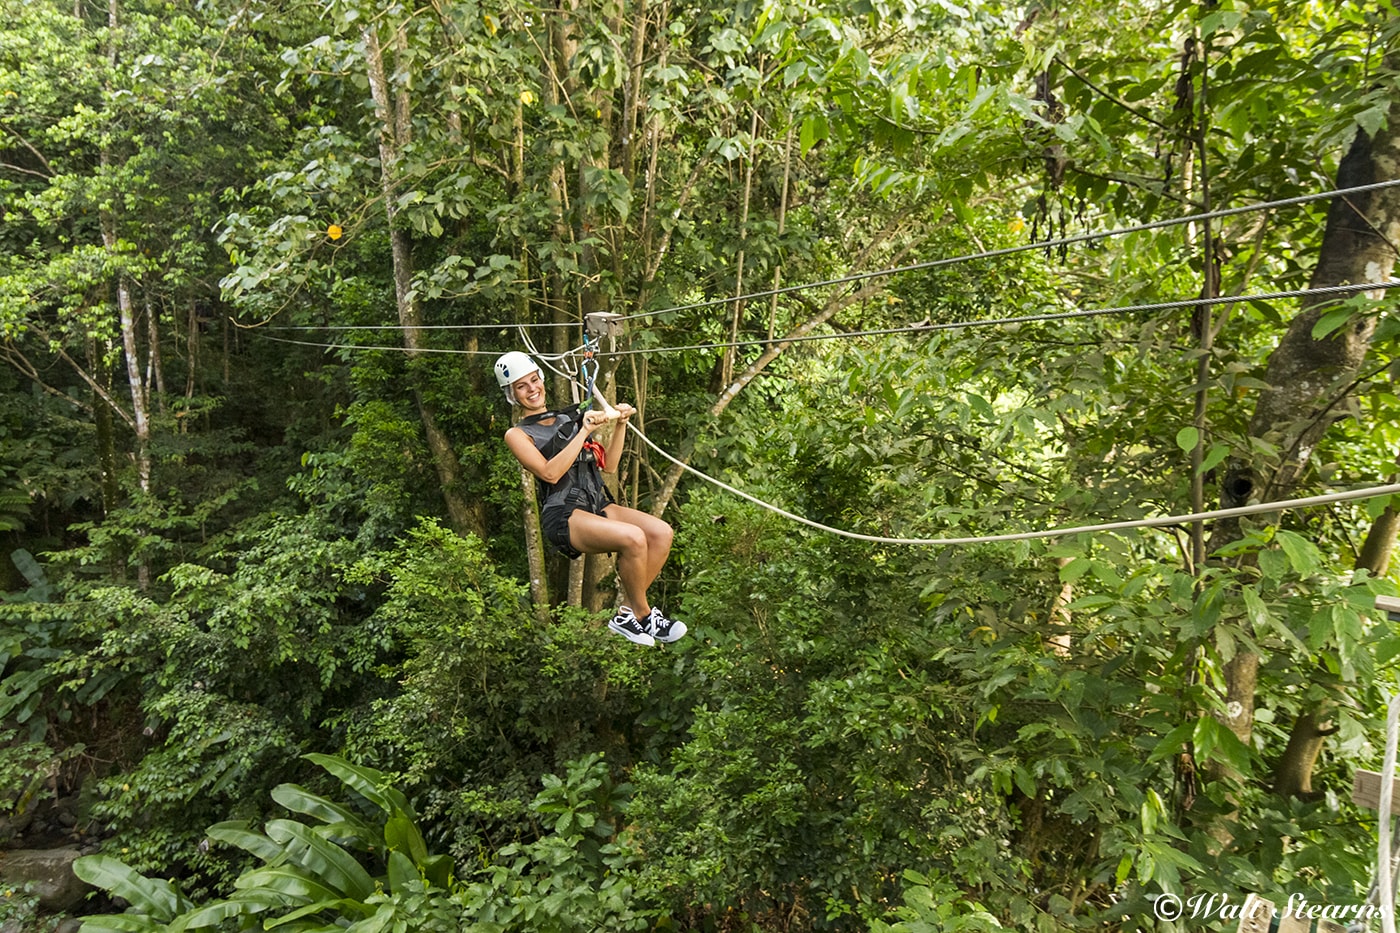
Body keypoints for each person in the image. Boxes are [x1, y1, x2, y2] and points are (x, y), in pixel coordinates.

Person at [494, 351, 685, 647]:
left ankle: (626, 614)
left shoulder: (567, 417)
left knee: (661, 533)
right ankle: (645, 616)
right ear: (512, 394)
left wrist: (620, 423)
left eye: (534, 380)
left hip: (597, 504)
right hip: (564, 514)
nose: (532, 389)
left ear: (542, 380)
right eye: (522, 386)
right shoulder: (518, 434)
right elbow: (550, 474)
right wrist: (582, 431)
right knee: (634, 538)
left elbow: (608, 466)